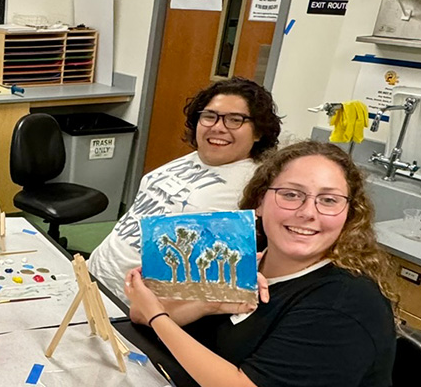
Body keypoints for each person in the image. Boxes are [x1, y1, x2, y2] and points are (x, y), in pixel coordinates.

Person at [125, 141, 396, 387]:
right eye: (291, 195)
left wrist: (160, 316)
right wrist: (209, 301)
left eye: (328, 200)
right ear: (260, 200)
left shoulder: (346, 304)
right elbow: (139, 313)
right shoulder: (242, 252)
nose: (308, 213)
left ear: (349, 214)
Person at [89, 77, 281, 303]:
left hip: (130, 305)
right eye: (210, 116)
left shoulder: (255, 184)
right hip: (95, 277)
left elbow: (213, 282)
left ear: (258, 132)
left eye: (235, 120)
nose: (218, 127)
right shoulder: (198, 157)